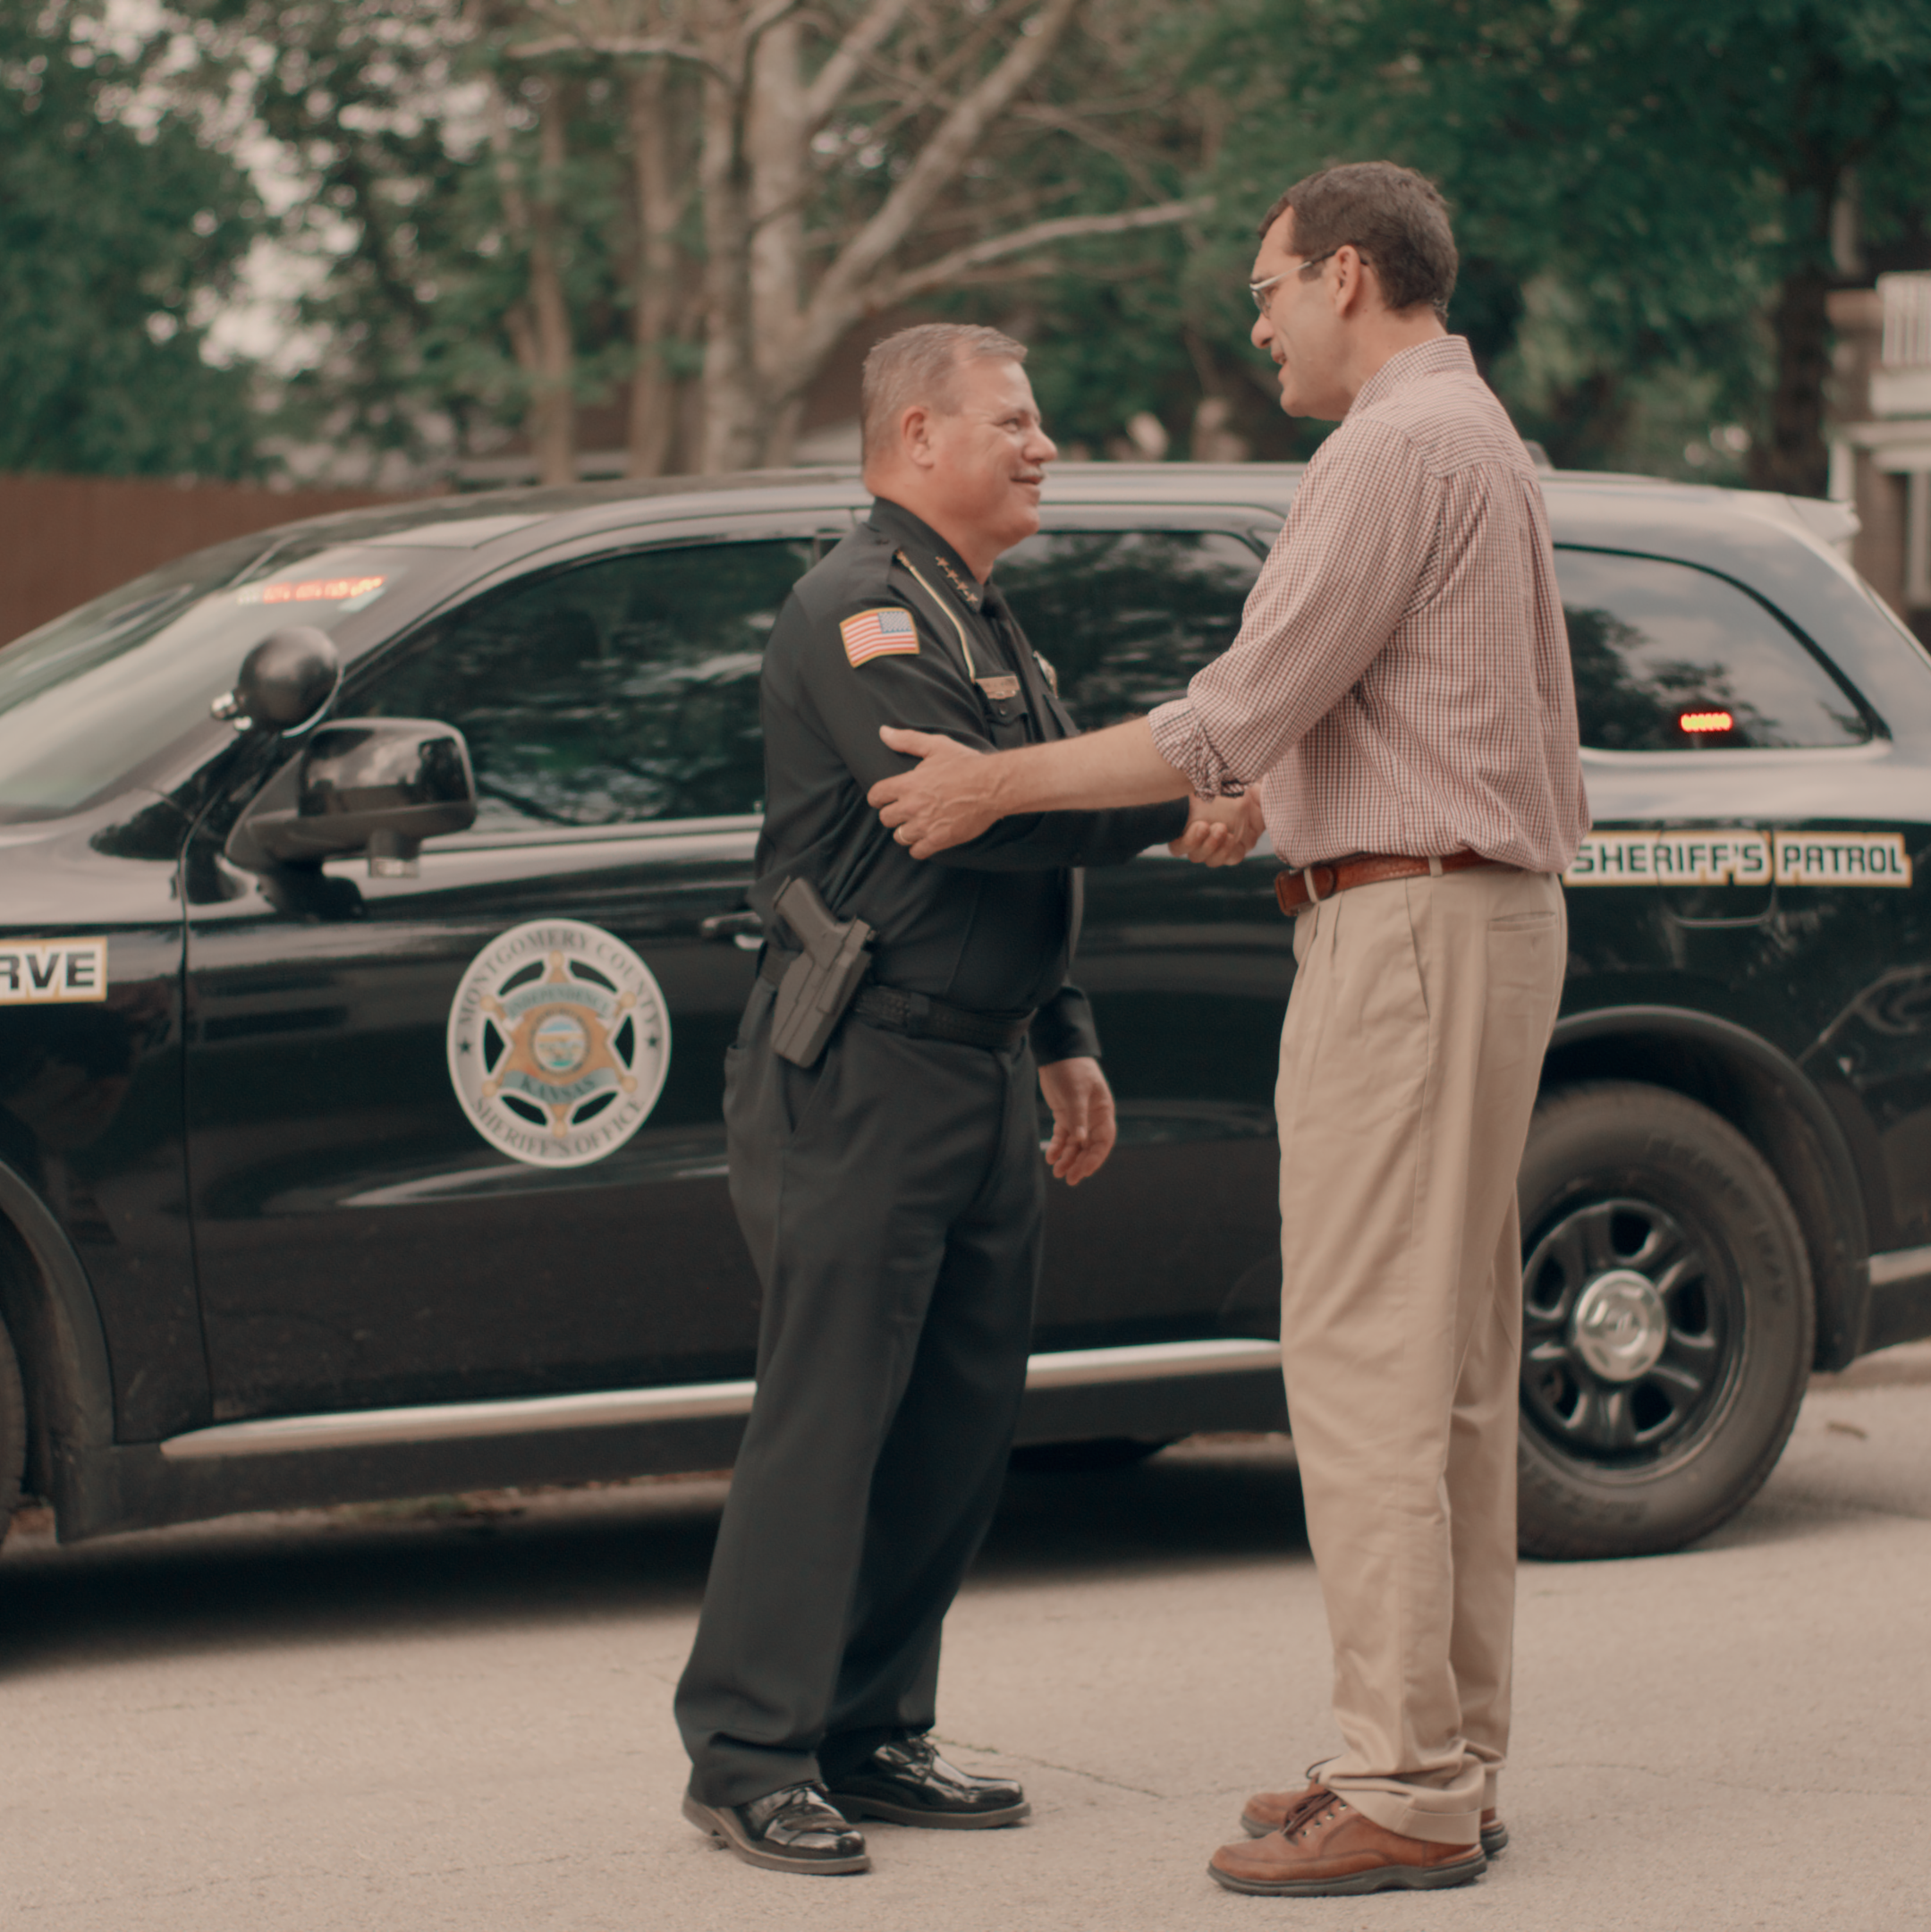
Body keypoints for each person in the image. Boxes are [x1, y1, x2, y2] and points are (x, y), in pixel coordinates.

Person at [862, 163, 1589, 1897]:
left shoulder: (1393, 451)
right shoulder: (1479, 435)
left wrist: (991, 785)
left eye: (1267, 291)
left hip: (1408, 930)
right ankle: (1442, 1758)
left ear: (1345, 275)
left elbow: (1228, 713)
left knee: (1365, 1359)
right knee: (1450, 1370)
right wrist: (1285, 800)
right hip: (1477, 912)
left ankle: (1403, 1782)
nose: (1258, 326)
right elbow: (1393, 713)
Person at [673, 321, 1259, 1877]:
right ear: (919, 437)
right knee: (830, 1424)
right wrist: (1180, 803)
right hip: (863, 1071)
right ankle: (748, 1754)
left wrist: (1064, 1029)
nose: (1044, 444)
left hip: (981, 1063)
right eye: (1014, 420)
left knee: (952, 1426)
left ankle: (868, 1731)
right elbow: (967, 821)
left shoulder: (985, 617)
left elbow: (1023, 821)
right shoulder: (861, 608)